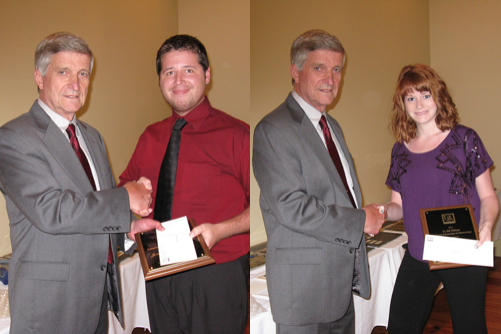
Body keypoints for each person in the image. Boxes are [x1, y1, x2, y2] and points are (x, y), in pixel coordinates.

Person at [0, 32, 163, 334]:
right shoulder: (12, 138)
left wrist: (127, 228)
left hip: (95, 301)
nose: (76, 84)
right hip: (49, 308)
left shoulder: (92, 137)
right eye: (64, 72)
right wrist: (125, 197)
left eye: (83, 73)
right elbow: (52, 211)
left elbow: (96, 212)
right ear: (39, 77)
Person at [252, 29, 385, 333]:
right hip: (304, 293)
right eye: (319, 67)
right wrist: (359, 219)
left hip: (338, 285)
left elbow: (338, 193)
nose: (331, 78)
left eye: (337, 69)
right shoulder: (272, 129)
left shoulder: (331, 125)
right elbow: (291, 207)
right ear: (295, 72)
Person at [119, 34, 250, 333]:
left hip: (216, 273)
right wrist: (131, 194)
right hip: (159, 267)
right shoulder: (150, 136)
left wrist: (221, 230)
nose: (178, 80)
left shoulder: (239, 135)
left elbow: (264, 206)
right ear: (160, 80)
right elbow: (124, 187)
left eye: (188, 70)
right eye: (169, 72)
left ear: (206, 75)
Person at [381, 64, 499, 333]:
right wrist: (382, 211)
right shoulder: (399, 150)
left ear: (438, 95)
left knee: (470, 327)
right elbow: (398, 205)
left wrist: (486, 225)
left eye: (425, 94)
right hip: (419, 252)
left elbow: (489, 197)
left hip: (462, 251)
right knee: (400, 326)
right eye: (410, 98)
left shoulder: (465, 139)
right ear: (402, 104)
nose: (419, 104)